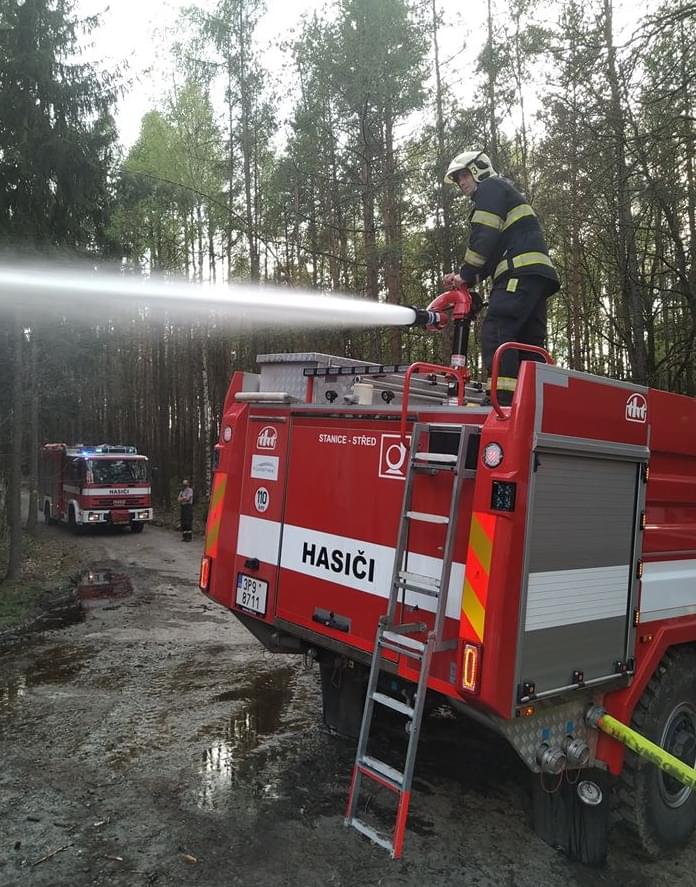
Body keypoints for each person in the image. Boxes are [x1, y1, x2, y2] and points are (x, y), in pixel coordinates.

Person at [443, 150, 560, 405]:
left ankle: (502, 400)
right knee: (528, 343)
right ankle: (529, 403)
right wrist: (466, 278)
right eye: (458, 179)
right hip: (535, 278)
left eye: (464, 175)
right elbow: (492, 253)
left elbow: (484, 236)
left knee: (498, 329)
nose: (461, 183)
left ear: (478, 170)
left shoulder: (491, 188)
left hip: (517, 273)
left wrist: (465, 273)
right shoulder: (503, 194)